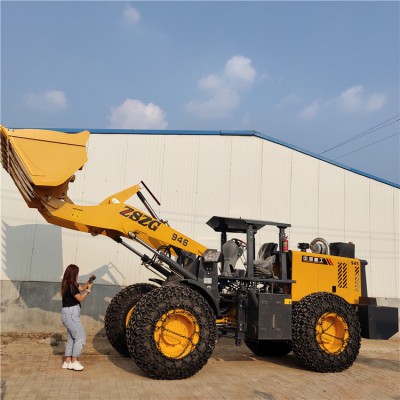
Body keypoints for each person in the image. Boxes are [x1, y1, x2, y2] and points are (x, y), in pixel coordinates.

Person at [60, 264, 95, 371]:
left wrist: (89, 281)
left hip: (67, 313)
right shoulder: (71, 286)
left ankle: (67, 362)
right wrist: (88, 291)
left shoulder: (68, 284)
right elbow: (80, 298)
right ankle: (74, 361)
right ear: (74, 274)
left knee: (72, 338)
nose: (78, 275)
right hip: (71, 314)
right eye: (77, 273)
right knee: (80, 338)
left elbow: (81, 288)